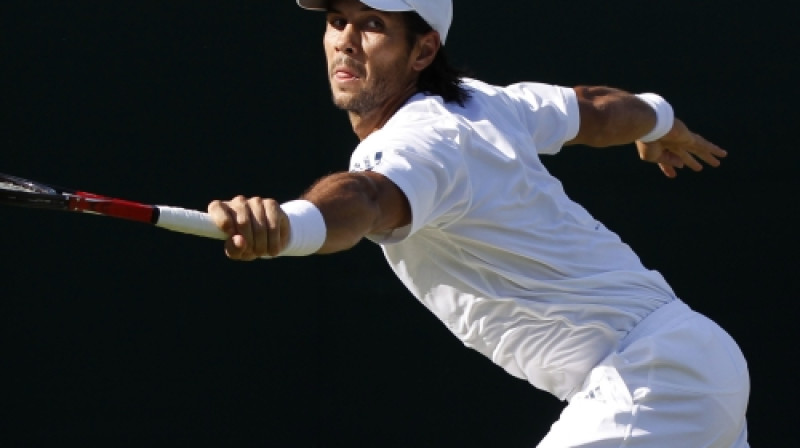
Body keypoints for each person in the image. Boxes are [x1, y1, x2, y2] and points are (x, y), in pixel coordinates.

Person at [207, 0, 750, 446]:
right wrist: (661, 120)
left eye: (373, 24)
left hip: (651, 382)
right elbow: (599, 110)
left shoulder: (422, 143)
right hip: (695, 361)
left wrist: (292, 224)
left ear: (423, 49)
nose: (346, 40)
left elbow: (367, 198)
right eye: (336, 21)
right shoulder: (486, 103)